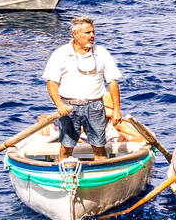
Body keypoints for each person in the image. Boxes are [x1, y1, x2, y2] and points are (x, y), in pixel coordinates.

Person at [43, 16, 123, 161]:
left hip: (95, 106)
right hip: (69, 106)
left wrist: (117, 109)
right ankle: (63, 175)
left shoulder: (102, 53)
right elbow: (52, 83)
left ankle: (102, 176)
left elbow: (112, 82)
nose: (92, 36)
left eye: (93, 32)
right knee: (66, 147)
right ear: (75, 34)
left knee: (99, 147)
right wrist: (59, 105)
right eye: (87, 33)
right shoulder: (60, 54)